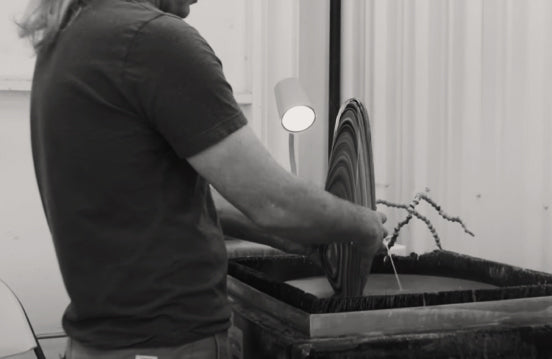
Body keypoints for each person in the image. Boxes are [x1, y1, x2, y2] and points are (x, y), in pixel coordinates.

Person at [19, 0, 388, 357]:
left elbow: (158, 198)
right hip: (165, 345)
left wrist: (291, 236)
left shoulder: (69, 36)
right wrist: (364, 223)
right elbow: (274, 202)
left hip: (100, 345)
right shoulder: (152, 40)